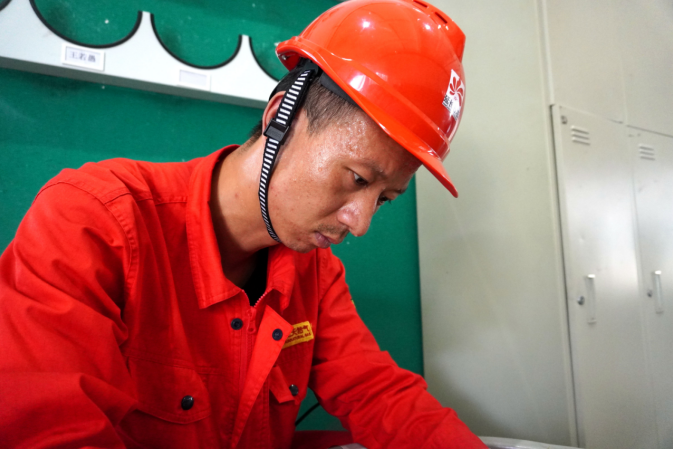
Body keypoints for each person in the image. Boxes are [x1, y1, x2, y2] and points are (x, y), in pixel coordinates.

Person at [0, 0, 485, 448]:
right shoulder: (93, 219)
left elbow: (378, 394)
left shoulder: (316, 275)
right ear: (280, 117)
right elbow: (52, 432)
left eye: (384, 199)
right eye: (357, 178)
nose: (359, 223)